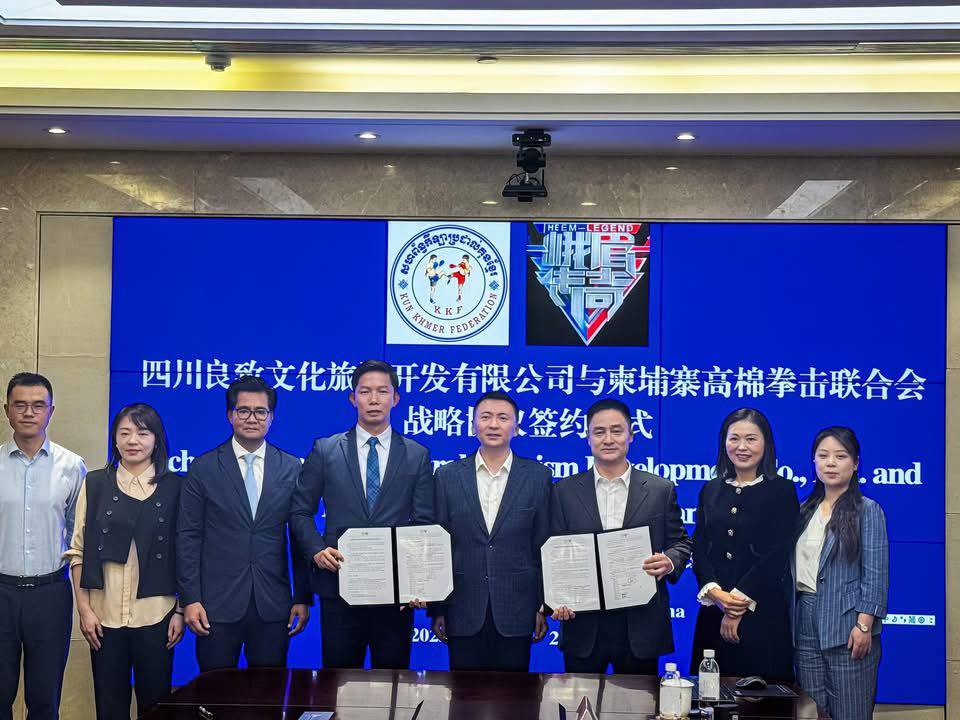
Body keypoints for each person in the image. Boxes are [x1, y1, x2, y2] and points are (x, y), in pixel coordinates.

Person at [291, 359, 434, 669]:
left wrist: (417, 581)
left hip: (395, 594)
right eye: (365, 391)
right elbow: (300, 511)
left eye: (382, 391)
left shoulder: (417, 454)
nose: (374, 399)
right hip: (339, 584)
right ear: (352, 398)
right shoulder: (326, 450)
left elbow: (424, 523)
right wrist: (316, 550)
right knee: (338, 682)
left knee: (394, 682)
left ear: (395, 398)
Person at [177, 376, 311, 672]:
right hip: (215, 606)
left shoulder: (290, 467)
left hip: (272, 604)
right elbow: (188, 536)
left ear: (272, 417)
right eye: (244, 411)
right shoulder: (204, 467)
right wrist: (190, 599)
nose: (252, 418)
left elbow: (299, 536)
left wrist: (302, 596)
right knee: (215, 692)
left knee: (268, 693)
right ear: (230, 415)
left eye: (261, 411)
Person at [550, 398, 691, 674]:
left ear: (631, 435)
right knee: (582, 700)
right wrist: (555, 599)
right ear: (587, 437)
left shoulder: (660, 490)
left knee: (640, 701)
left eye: (616, 431)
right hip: (583, 624)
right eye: (599, 432)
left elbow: (681, 542)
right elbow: (553, 552)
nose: (608, 439)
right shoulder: (563, 491)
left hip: (641, 623)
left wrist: (669, 561)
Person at [65, 403, 183, 719]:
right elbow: (78, 552)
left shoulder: (176, 487)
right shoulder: (95, 483)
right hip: (103, 616)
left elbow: (186, 553)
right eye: (124, 433)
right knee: (109, 707)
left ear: (156, 440)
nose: (133, 441)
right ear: (115, 440)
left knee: (156, 707)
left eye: (143, 433)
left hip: (158, 614)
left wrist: (180, 610)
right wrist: (85, 610)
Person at [429, 391, 552, 671]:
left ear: (516, 427)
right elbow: (438, 547)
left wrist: (542, 606)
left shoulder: (538, 477)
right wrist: (438, 609)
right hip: (461, 609)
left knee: (514, 694)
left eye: (503, 418)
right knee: (462, 694)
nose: (493, 424)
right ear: (473, 425)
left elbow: (542, 546)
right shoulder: (447, 476)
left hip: (517, 610)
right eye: (485, 417)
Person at [0, 372, 86, 720]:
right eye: (20, 405)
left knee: (45, 700)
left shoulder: (72, 466)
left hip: (50, 594)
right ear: (7, 410)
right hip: (1, 592)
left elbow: (78, 535)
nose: (28, 412)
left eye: (38, 405)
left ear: (51, 411)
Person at [690, 407, 799, 681]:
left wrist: (736, 604)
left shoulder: (782, 490)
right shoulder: (711, 489)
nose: (742, 447)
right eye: (734, 438)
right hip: (713, 611)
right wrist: (715, 593)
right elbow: (700, 547)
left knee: (762, 696)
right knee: (710, 693)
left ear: (766, 443)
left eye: (751, 439)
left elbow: (777, 554)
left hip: (762, 614)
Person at [793, 427, 888, 720]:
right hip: (805, 623)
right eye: (823, 456)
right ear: (814, 462)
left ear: (855, 463)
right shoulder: (803, 510)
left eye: (840, 456)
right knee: (811, 713)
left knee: (850, 713)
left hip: (848, 625)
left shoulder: (868, 510)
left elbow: (875, 573)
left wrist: (864, 625)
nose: (830, 463)